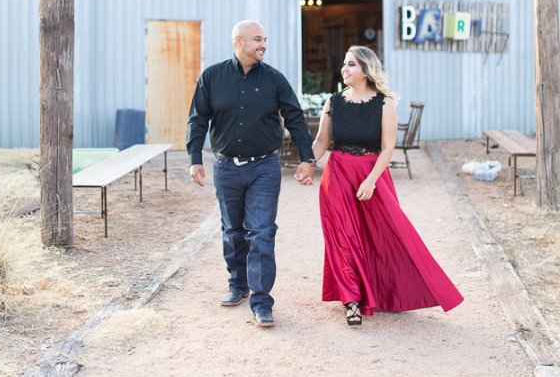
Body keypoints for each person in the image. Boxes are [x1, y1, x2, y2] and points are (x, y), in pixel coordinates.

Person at [310, 45, 463, 326]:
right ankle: (352, 300)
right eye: (344, 64)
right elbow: (322, 141)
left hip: (372, 174)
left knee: (383, 234)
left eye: (352, 64)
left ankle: (384, 290)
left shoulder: (384, 104)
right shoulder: (332, 102)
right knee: (344, 236)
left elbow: (387, 147)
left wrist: (371, 180)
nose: (345, 69)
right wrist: (308, 163)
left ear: (366, 70)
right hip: (338, 174)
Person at [187, 19, 316, 328]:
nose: (263, 45)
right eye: (257, 39)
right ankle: (238, 285)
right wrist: (195, 158)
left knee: (261, 232)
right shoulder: (212, 77)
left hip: (264, 167)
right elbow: (197, 119)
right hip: (225, 167)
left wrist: (307, 157)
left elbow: (295, 117)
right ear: (238, 42)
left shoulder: (274, 79)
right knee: (232, 231)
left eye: (265, 39)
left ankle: (261, 301)